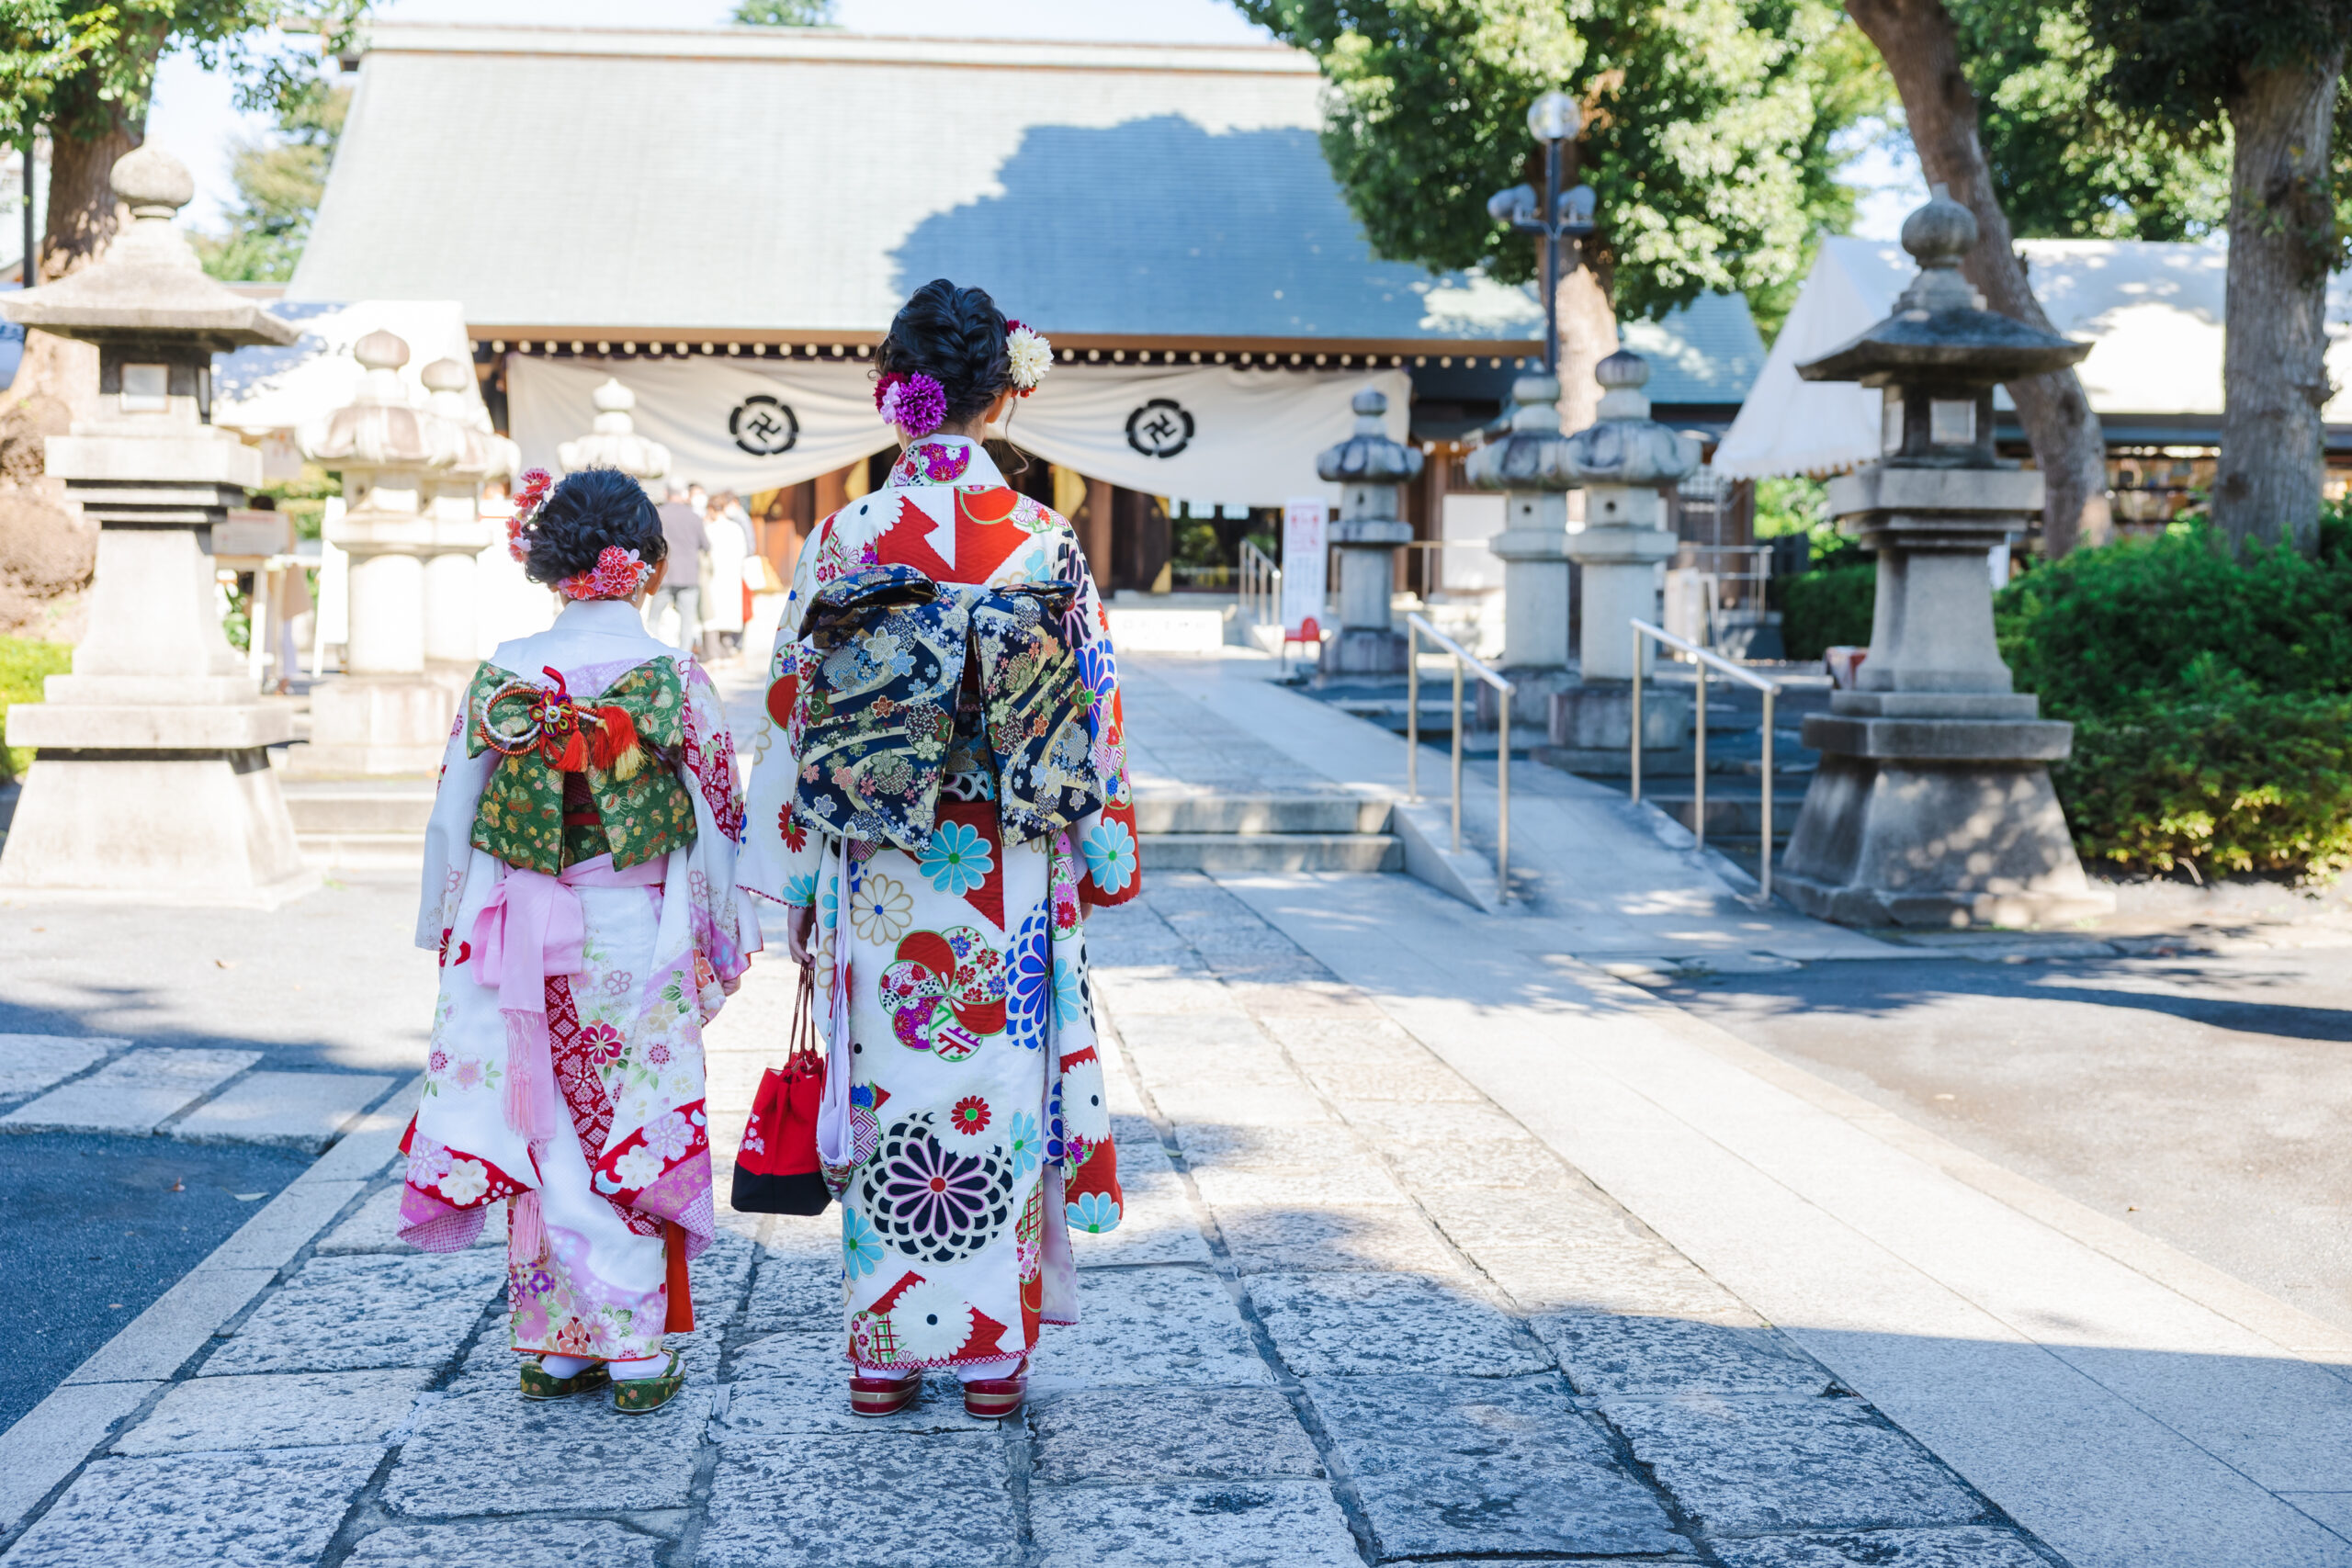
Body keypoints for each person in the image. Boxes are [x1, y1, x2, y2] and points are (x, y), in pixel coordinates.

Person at [738, 279, 1139, 1420]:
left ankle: (884, 1350)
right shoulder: (1042, 539)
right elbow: (1093, 710)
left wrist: (800, 877)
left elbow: (795, 707)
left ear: (893, 393)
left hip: (879, 861)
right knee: (999, 1092)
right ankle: (990, 1355)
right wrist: (1103, 852)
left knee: (886, 1091)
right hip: (1007, 862)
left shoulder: (844, 536)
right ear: (1002, 396)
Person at [397, 465, 758, 1415]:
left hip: (518, 926)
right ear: (646, 564)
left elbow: (453, 815)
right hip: (635, 927)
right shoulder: (675, 677)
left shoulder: (505, 673)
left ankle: (556, 1344)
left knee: (543, 1117)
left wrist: (446, 928)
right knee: (630, 1118)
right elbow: (718, 818)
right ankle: (633, 1347)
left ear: (548, 564)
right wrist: (722, 934)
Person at [649, 484, 708, 654]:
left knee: (653, 619)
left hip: (663, 575)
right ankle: (684, 658)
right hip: (689, 575)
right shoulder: (694, 517)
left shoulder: (658, 515)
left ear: (665, 493)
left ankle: (655, 654)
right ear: (684, 495)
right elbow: (706, 545)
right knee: (687, 621)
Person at [701, 491, 750, 660]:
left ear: (711, 509)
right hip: (732, 576)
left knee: (713, 615)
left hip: (714, 577)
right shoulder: (736, 529)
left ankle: (714, 652)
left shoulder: (709, 529)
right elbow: (743, 553)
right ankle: (727, 648)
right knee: (728, 613)